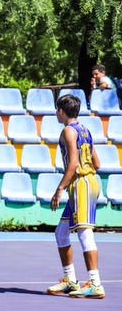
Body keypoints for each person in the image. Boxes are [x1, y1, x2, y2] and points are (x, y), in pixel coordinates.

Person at [46, 94, 105, 298]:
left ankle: (95, 283)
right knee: (61, 232)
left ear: (61, 111)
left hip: (81, 184)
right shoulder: (85, 130)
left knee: (84, 232)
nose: (56, 113)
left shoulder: (68, 131)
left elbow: (72, 164)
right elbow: (96, 163)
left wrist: (59, 188)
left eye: (57, 110)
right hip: (85, 182)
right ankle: (70, 280)